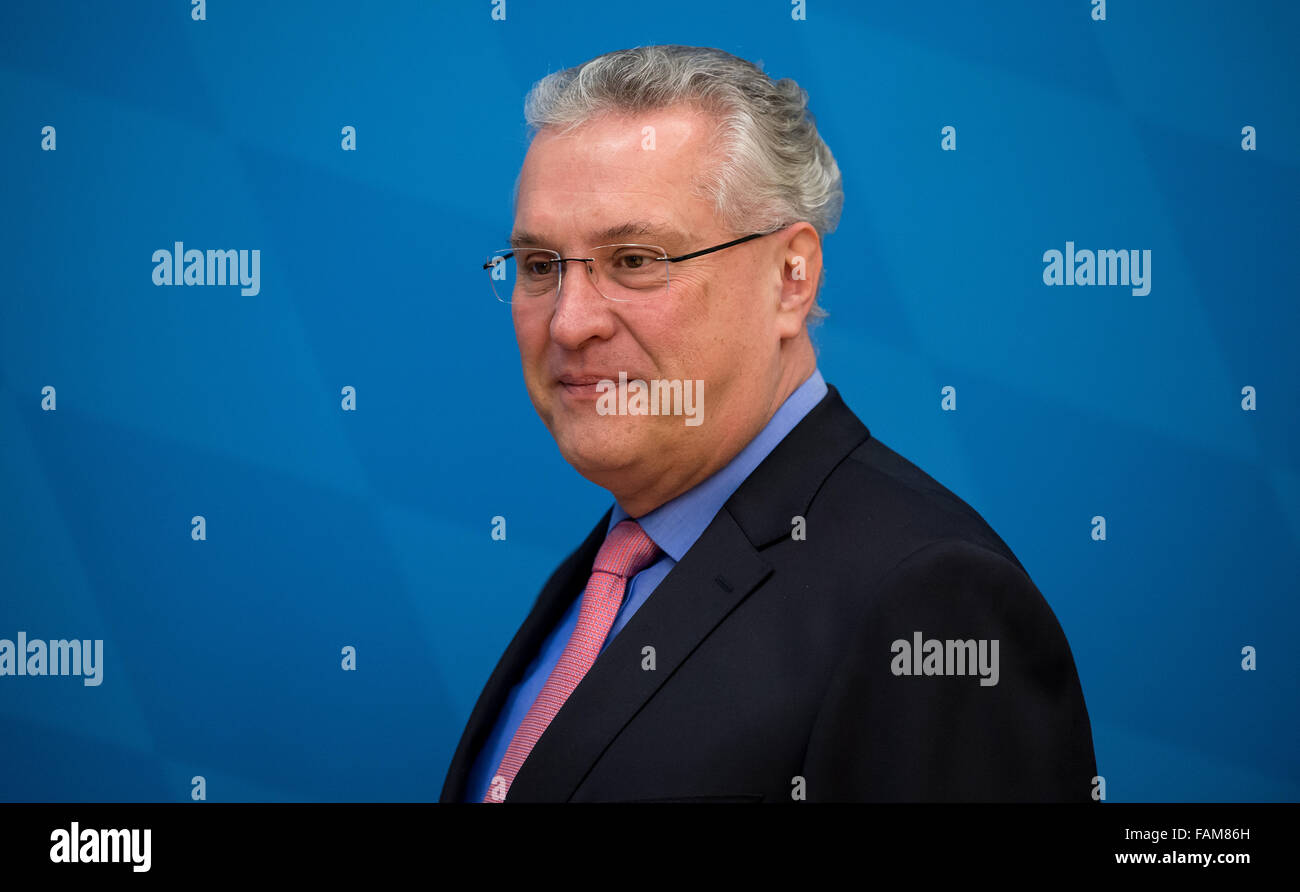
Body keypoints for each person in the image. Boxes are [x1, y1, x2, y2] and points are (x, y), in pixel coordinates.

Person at [441, 44, 1096, 803]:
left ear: (791, 278)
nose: (570, 322)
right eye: (541, 265)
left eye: (635, 259)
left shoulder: (930, 596)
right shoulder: (608, 572)